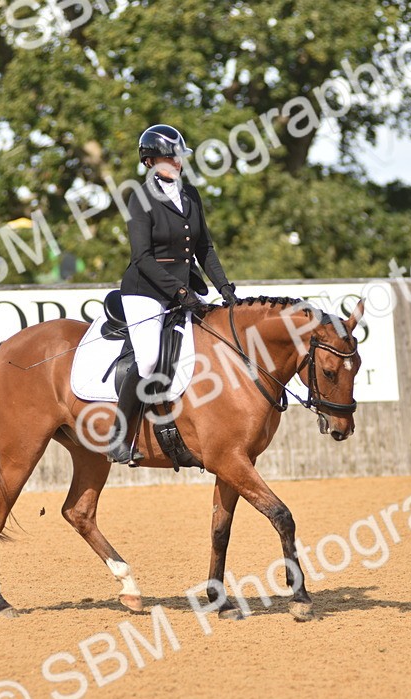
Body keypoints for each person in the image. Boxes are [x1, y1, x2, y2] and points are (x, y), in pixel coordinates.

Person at [105, 123, 238, 464]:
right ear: (149, 161)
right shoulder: (141, 197)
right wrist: (179, 291)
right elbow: (142, 258)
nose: (176, 162)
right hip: (145, 290)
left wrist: (225, 288)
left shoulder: (190, 194)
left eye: (178, 156)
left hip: (185, 291)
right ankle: (119, 437)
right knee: (148, 358)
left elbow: (204, 247)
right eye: (168, 157)